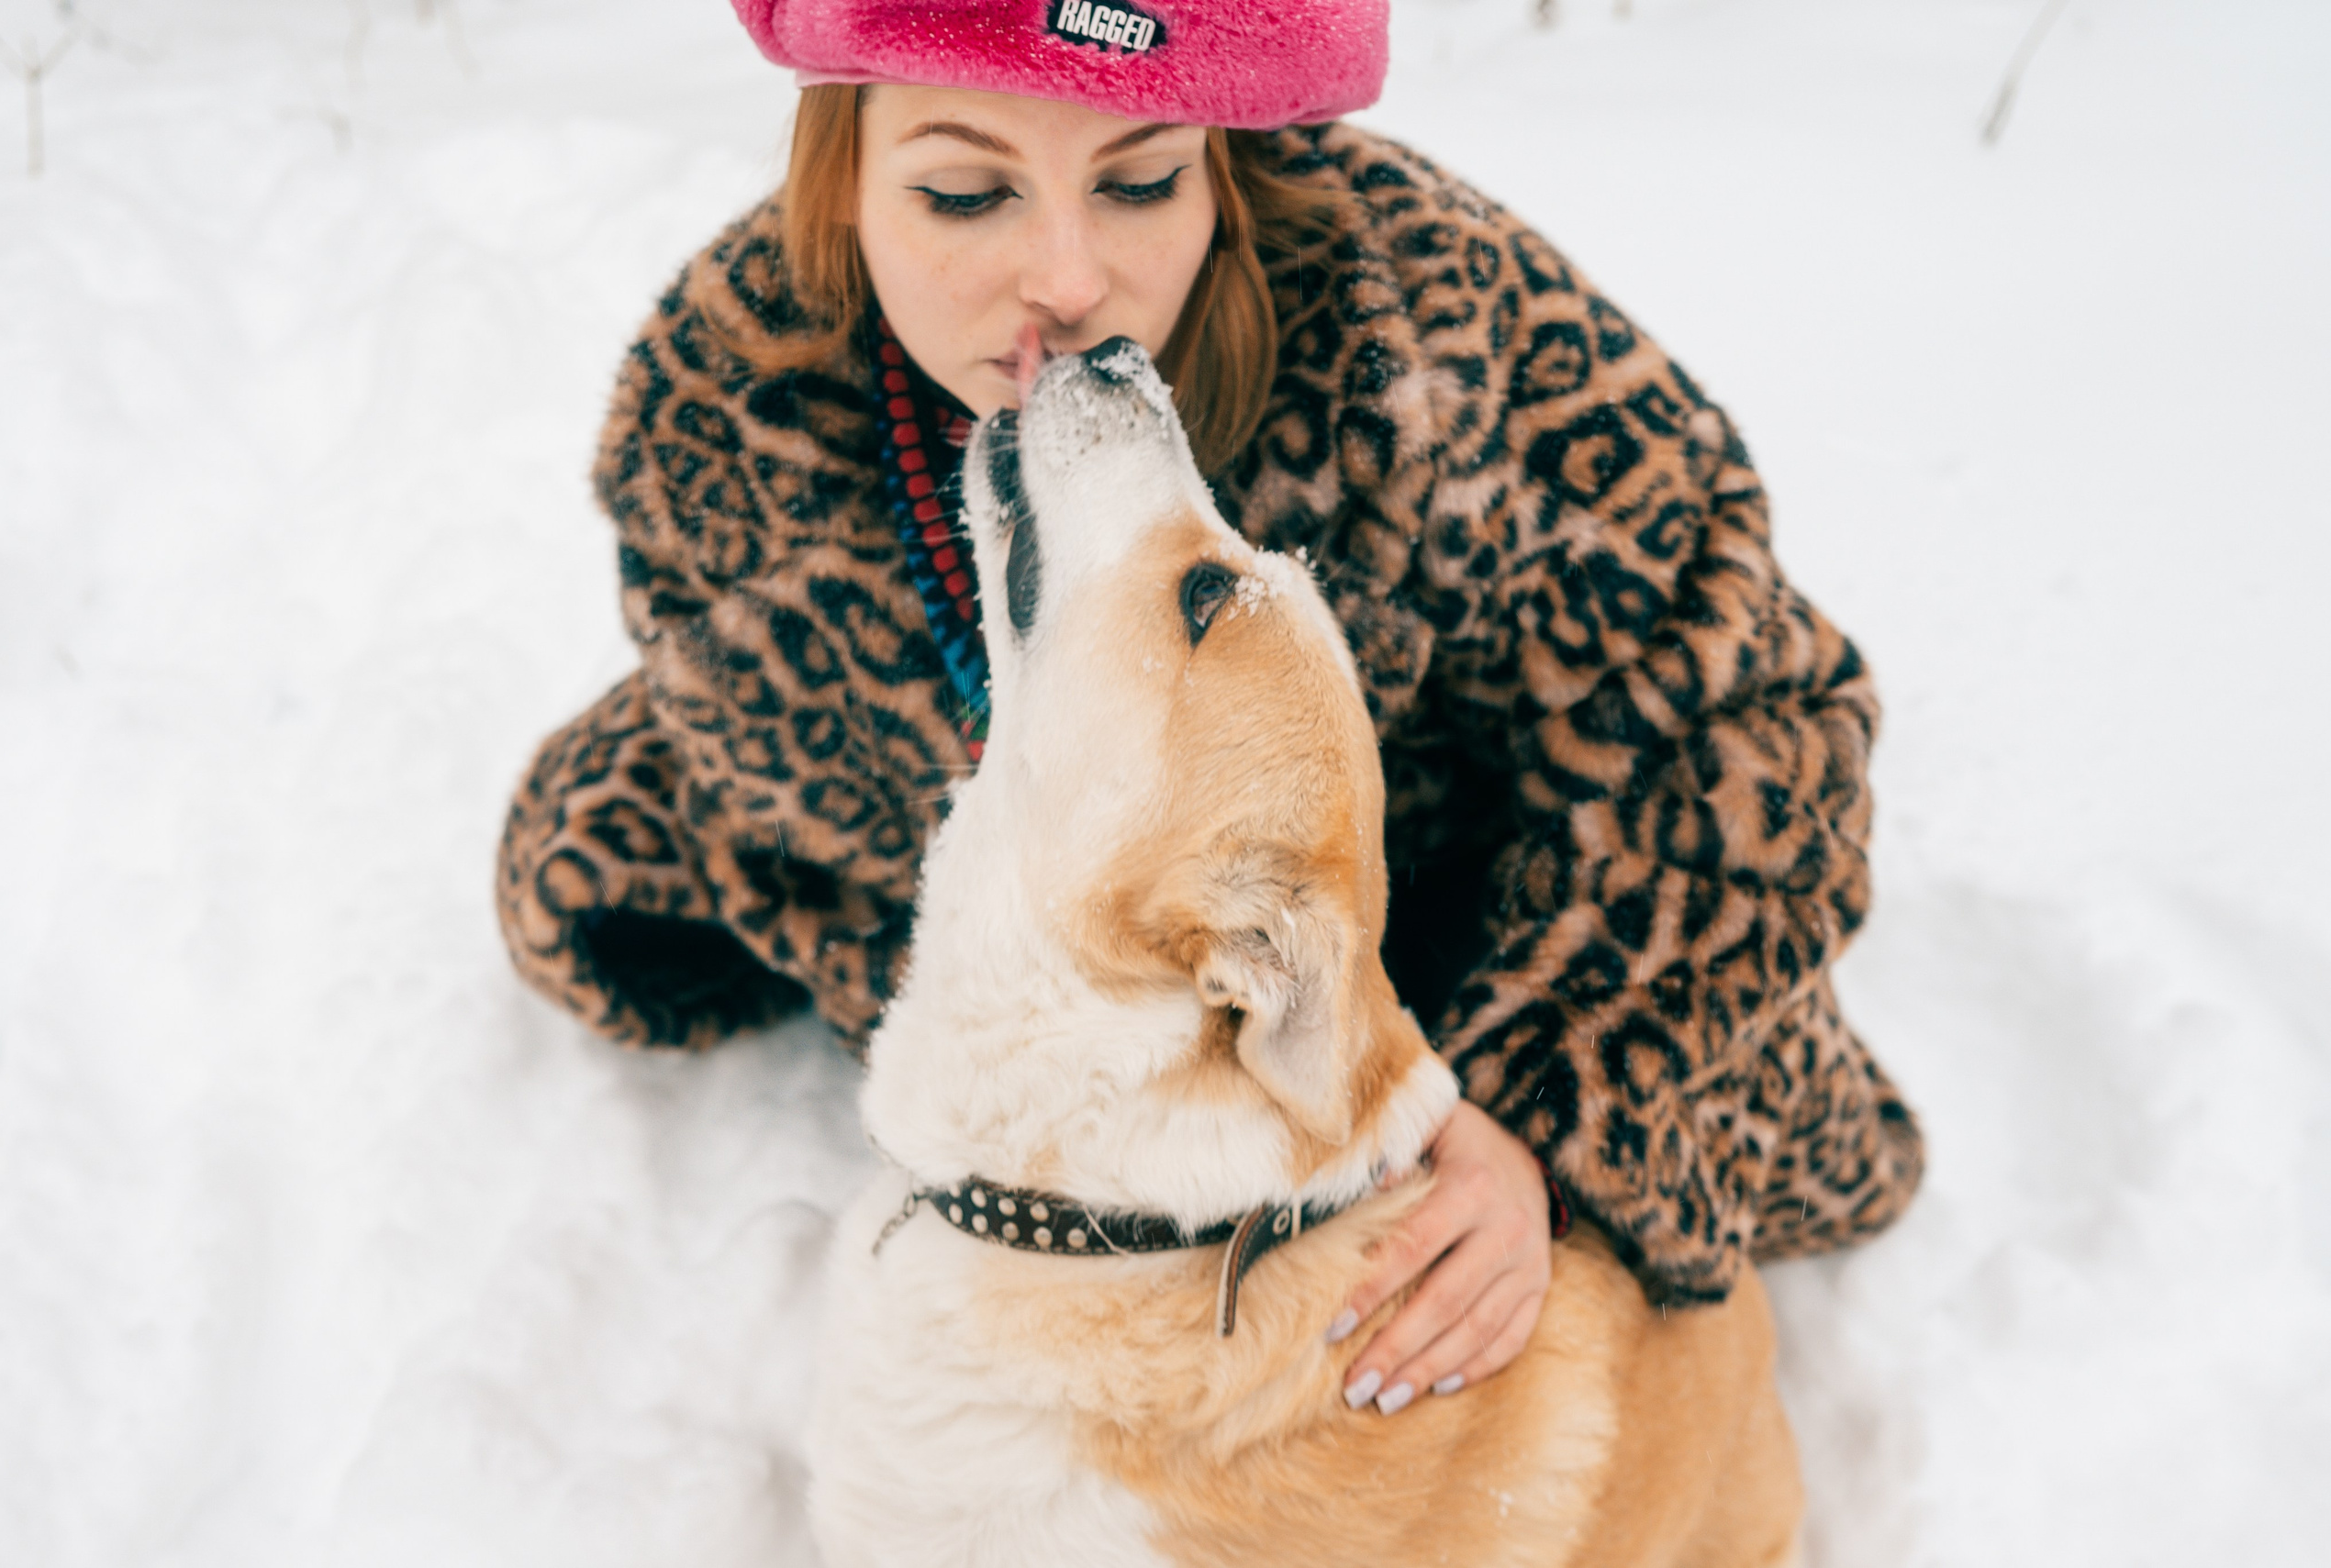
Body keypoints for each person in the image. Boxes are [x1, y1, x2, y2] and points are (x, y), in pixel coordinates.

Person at [496, 0, 1923, 1422]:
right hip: (1028, 880)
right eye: (964, 190)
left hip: (1424, 898)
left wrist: (1536, 1109)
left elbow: (1757, 727)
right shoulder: (728, 439)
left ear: (1225, 161)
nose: (1068, 277)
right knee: (579, 874)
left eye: (1140, 180)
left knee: (1787, 1137)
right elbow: (817, 842)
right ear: (842, 177)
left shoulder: (1417, 319)